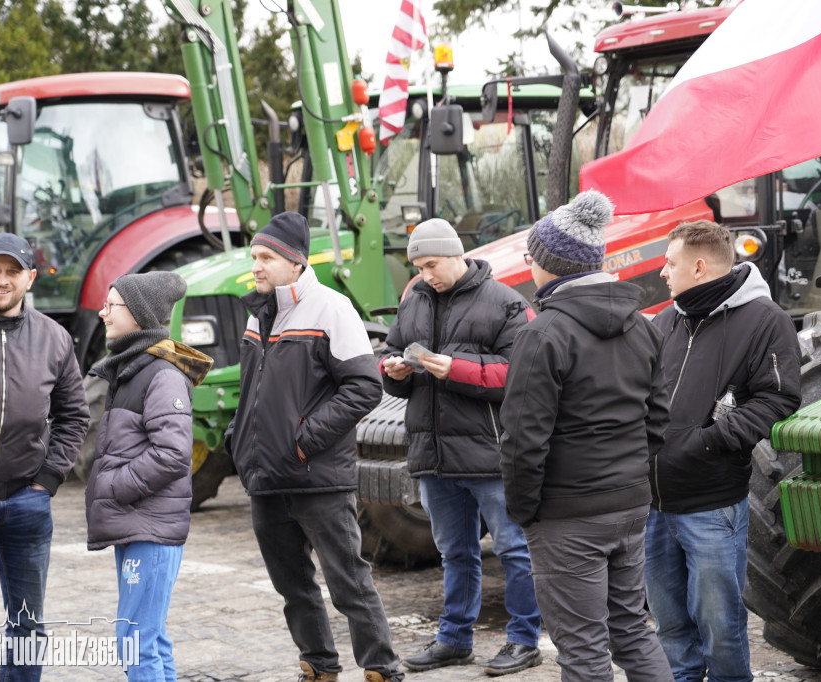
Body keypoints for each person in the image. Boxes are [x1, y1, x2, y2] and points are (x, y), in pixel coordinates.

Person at [498, 190, 673, 682]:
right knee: (633, 631)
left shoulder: (544, 334)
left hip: (568, 513)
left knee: (582, 650)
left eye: (531, 255)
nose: (528, 264)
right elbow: (657, 419)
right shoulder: (643, 326)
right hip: (629, 503)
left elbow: (522, 440)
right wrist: (634, 479)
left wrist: (524, 511)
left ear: (552, 265)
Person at [224, 212, 404, 682]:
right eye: (254, 257)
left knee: (349, 583)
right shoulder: (256, 312)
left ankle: (382, 669)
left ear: (295, 262)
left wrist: (303, 442)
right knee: (293, 587)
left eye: (265, 258)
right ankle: (319, 665)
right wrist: (239, 441)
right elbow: (251, 391)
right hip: (265, 478)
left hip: (316, 478)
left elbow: (364, 387)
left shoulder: (332, 308)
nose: (256, 267)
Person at [381, 218, 542, 676]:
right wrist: (393, 372)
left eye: (431, 264)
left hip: (489, 456)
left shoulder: (507, 303)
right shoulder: (413, 299)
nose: (425, 274)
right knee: (455, 553)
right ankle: (454, 640)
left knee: (514, 550)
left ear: (456, 255)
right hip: (433, 457)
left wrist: (454, 367)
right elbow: (393, 354)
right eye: (418, 266)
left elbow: (519, 375)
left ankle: (524, 639)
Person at [645, 219, 802, 682]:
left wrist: (706, 440)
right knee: (670, 625)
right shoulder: (666, 320)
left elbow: (778, 399)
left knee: (720, 629)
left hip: (711, 503)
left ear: (698, 266)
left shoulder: (764, 320)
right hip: (652, 503)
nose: (662, 272)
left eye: (669, 263)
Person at [85, 271, 213, 681]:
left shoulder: (162, 374)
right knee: (148, 639)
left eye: (112, 305)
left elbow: (173, 455)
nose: (103, 312)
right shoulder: (130, 369)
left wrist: (113, 486)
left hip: (150, 526)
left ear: (139, 315)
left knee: (134, 639)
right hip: (137, 523)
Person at [0, 232, 90, 681]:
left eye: (12, 272)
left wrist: (47, 481)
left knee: (26, 623)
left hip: (26, 500)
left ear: (30, 278)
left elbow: (74, 416)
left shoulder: (54, 338)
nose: (2, 280)